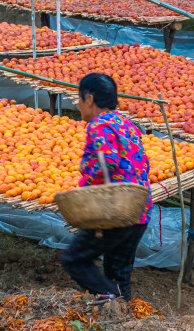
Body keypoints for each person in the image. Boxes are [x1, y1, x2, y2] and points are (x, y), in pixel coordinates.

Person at [61, 73, 152, 304]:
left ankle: (109, 298)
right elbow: (142, 163)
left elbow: (108, 162)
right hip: (137, 212)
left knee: (74, 260)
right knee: (118, 273)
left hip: (112, 210)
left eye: (79, 98)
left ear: (90, 99)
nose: (78, 104)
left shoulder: (98, 125)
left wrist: (87, 188)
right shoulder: (127, 124)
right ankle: (122, 318)